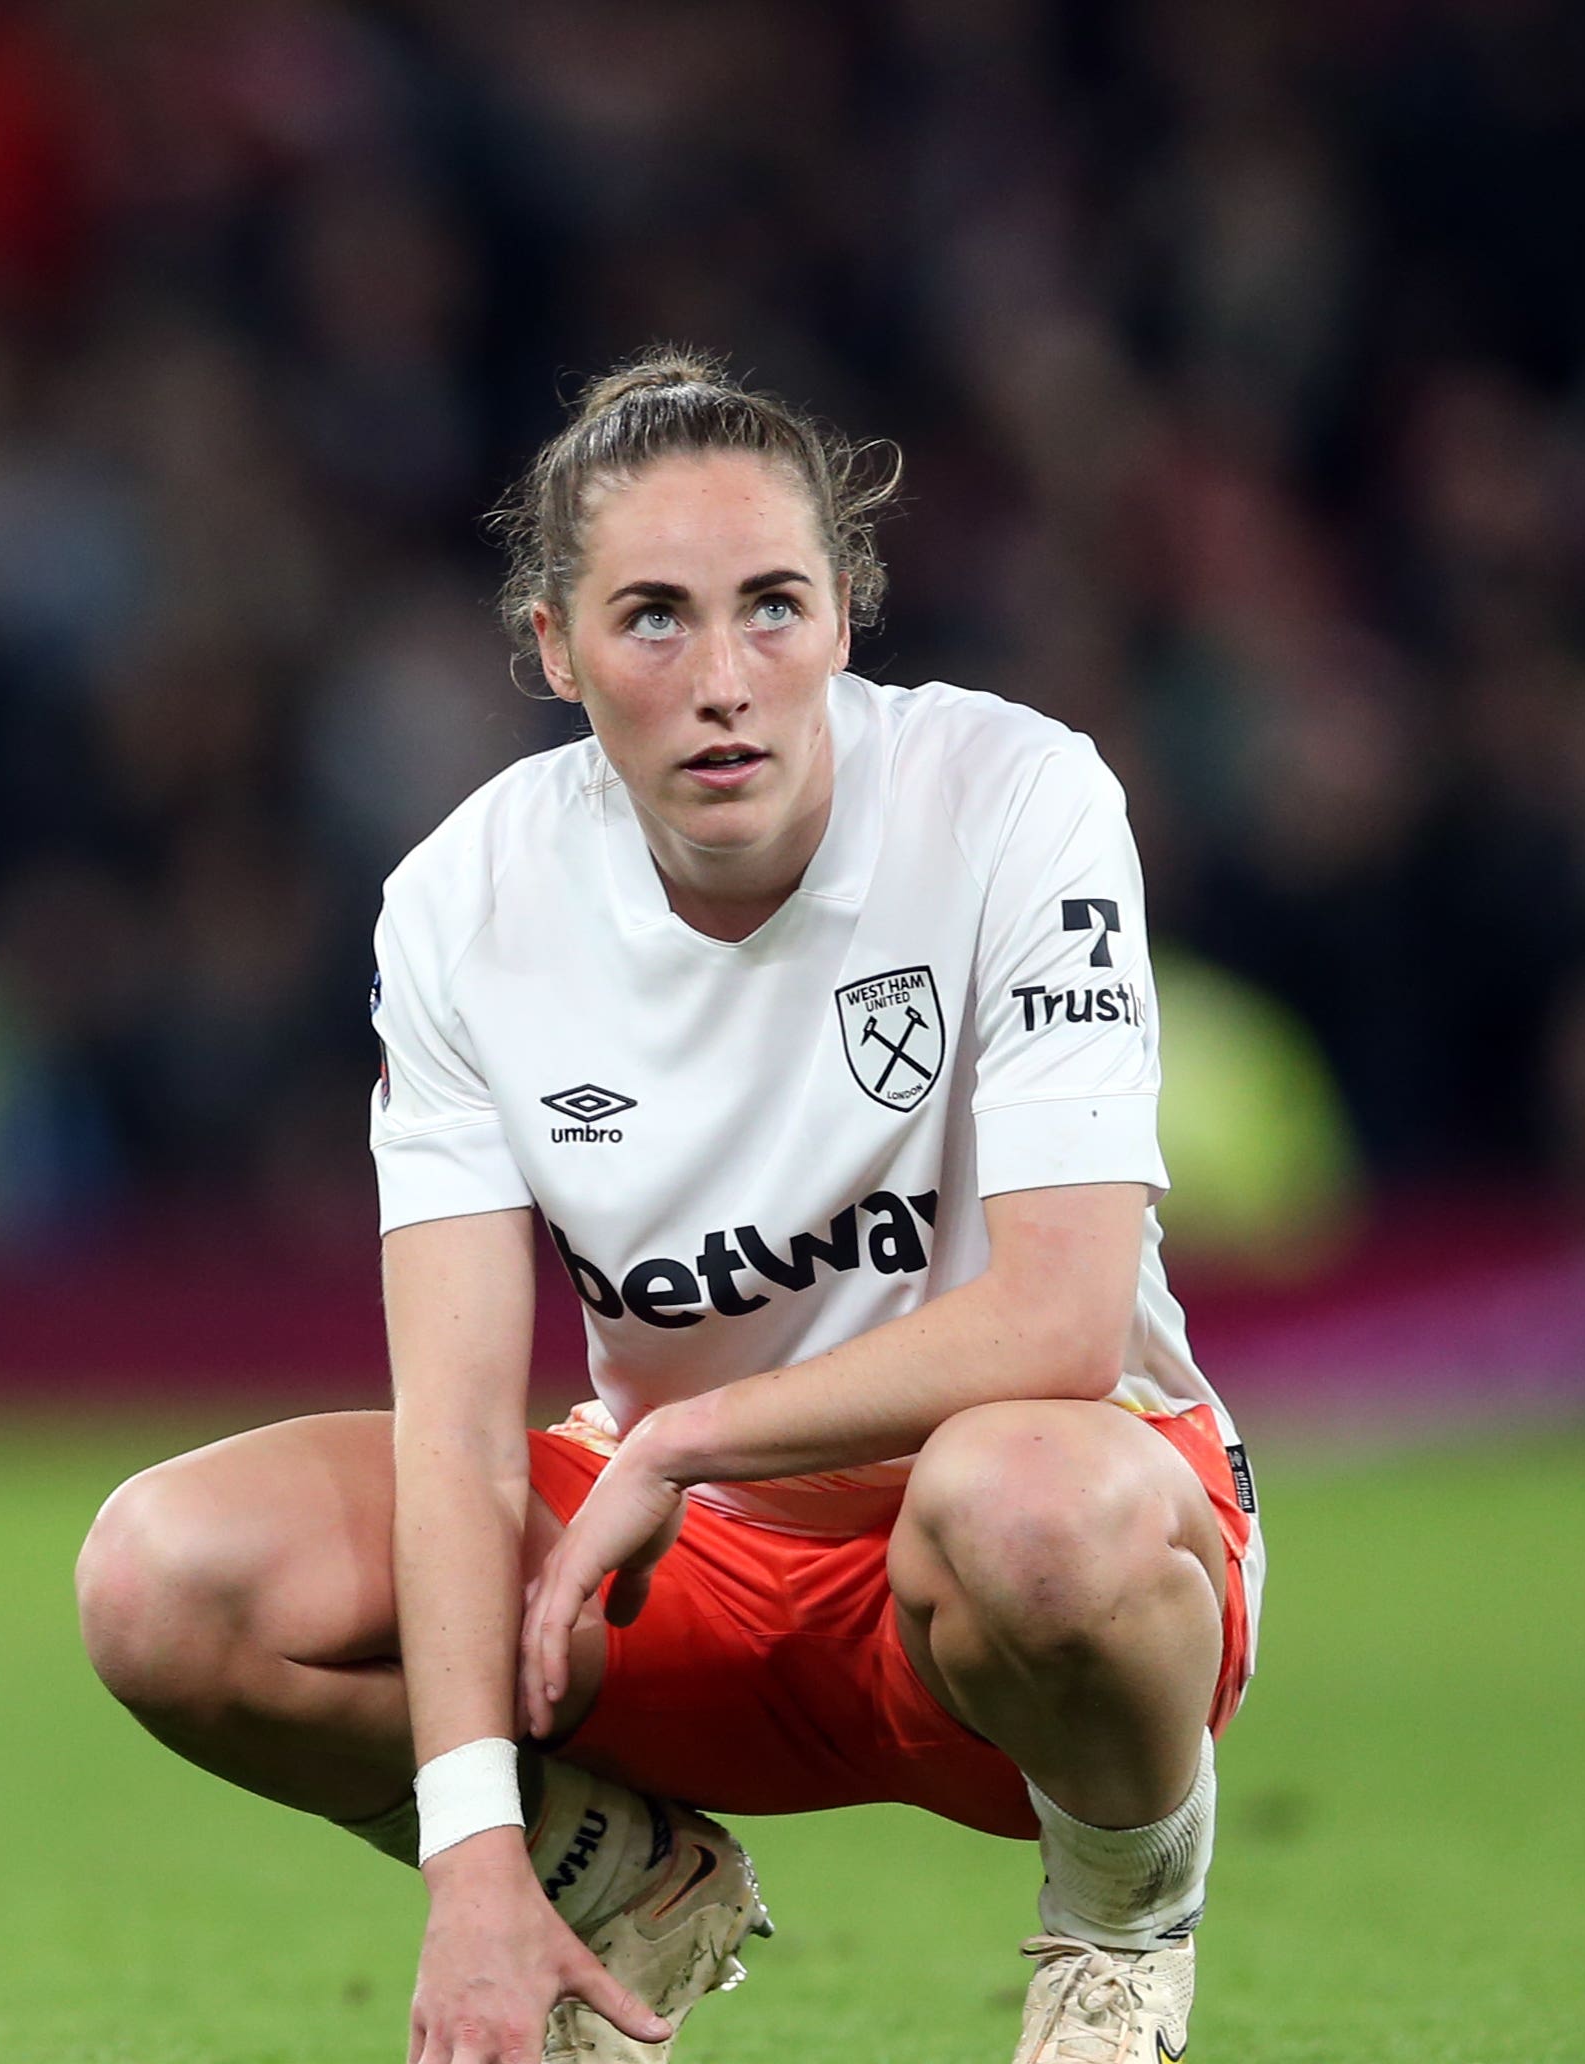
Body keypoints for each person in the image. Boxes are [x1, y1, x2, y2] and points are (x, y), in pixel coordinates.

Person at [74, 352, 1266, 2064]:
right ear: (552, 648)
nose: (724, 682)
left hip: (1037, 1590)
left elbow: (1065, 1325)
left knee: (1025, 1503)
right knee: (164, 1576)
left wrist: (680, 1445)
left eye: (772, 606)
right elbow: (465, 1439)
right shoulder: (463, 906)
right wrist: (475, 1855)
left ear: (850, 613)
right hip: (680, 1588)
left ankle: (1120, 1920)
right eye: (651, 619)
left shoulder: (1018, 799)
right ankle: (614, 1873)